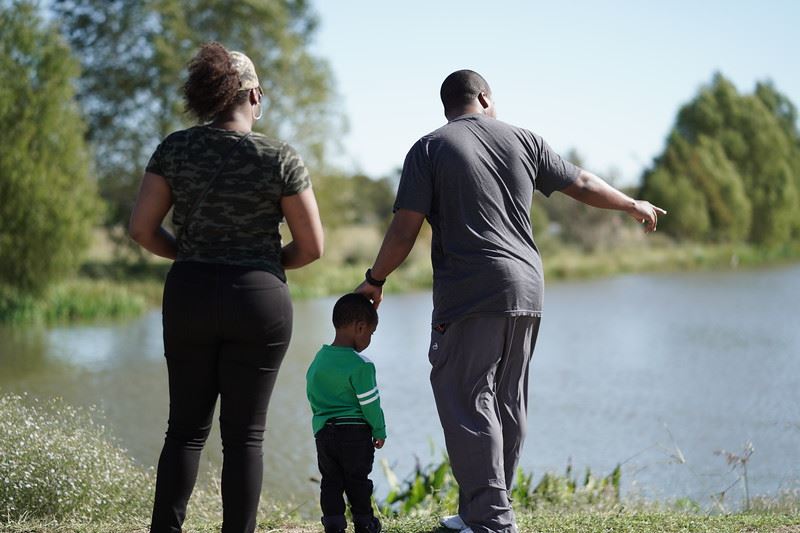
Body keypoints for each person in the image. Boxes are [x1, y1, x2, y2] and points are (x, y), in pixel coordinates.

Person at [355, 70, 666, 533]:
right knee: (506, 399)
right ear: (484, 97)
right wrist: (630, 203)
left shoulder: (430, 148)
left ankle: (493, 520)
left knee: (465, 397)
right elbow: (580, 181)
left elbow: (405, 228)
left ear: (448, 106)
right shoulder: (525, 140)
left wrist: (374, 279)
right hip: (527, 287)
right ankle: (478, 511)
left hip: (471, 290)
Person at [129, 42, 324, 533]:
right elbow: (312, 246)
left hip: (190, 292)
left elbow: (142, 230)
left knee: (185, 431)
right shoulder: (279, 155)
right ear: (253, 95)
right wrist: (260, 266)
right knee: (245, 438)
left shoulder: (174, 148)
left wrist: (192, 257)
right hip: (258, 300)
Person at [306, 293, 385, 533]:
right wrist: (379, 430)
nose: (370, 338)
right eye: (370, 333)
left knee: (330, 481)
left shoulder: (318, 360)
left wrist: (320, 423)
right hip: (355, 434)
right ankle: (364, 523)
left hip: (324, 434)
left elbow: (312, 394)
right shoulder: (361, 365)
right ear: (360, 327)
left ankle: (333, 523)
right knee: (357, 481)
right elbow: (370, 404)